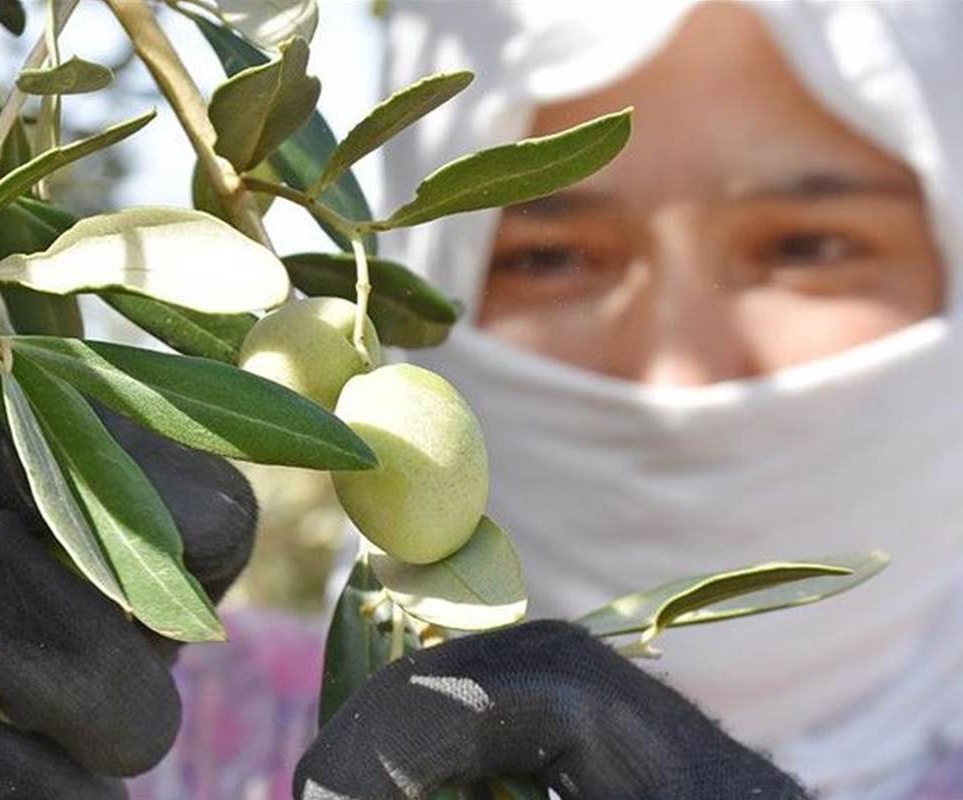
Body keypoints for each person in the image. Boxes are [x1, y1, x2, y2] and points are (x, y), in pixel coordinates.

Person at [297, 1, 963, 799]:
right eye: (549, 258)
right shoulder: (167, 738)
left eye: (807, 247)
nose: (676, 380)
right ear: (422, 276)